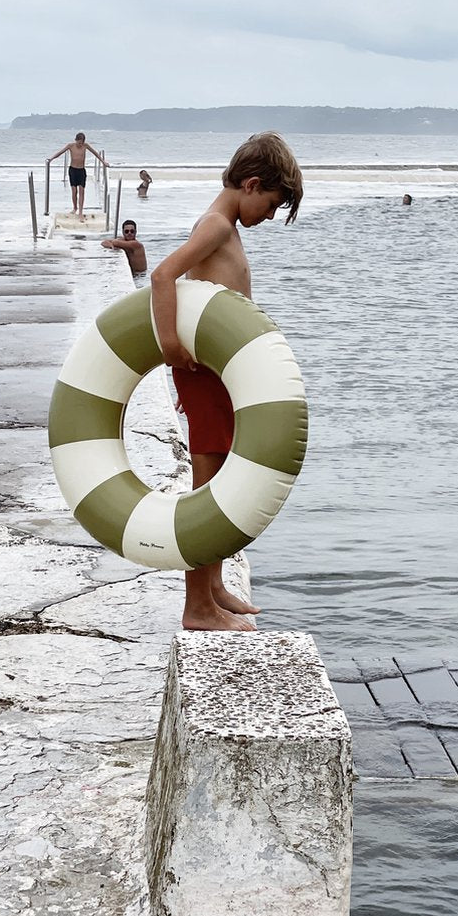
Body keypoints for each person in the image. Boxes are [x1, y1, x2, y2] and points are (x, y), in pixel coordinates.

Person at [150, 132, 303, 632]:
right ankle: (197, 607)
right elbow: (162, 275)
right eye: (272, 205)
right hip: (205, 375)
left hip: (221, 376)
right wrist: (171, 345)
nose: (270, 216)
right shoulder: (216, 226)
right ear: (253, 184)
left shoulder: (224, 227)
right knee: (209, 486)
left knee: (219, 479)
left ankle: (213, 587)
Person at [47, 132, 108, 221]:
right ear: (76, 140)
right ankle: (75, 208)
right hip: (73, 170)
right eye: (79, 143)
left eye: (81, 143)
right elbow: (60, 152)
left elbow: (96, 154)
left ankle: (80, 212)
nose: (80, 144)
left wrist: (103, 162)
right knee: (74, 191)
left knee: (82, 191)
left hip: (81, 171)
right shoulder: (70, 146)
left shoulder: (86, 146)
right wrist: (51, 159)